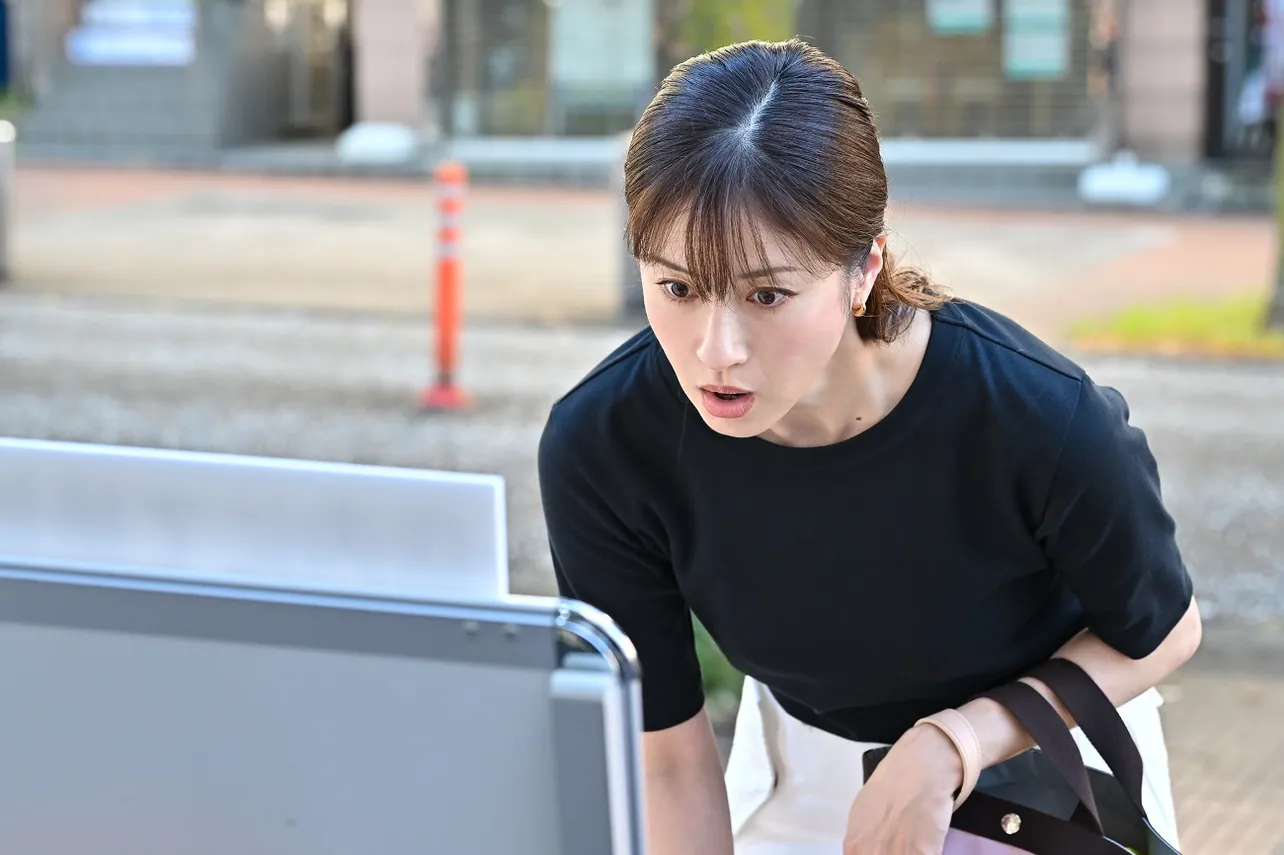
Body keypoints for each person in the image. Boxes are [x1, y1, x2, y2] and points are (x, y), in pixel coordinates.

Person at [537, 38, 1200, 855]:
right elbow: (669, 757)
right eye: (676, 287)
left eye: (767, 294)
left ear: (863, 269)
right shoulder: (604, 443)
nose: (716, 350)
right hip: (804, 771)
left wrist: (956, 741)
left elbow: (1166, 628)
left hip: (1049, 756)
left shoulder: (1032, 414)